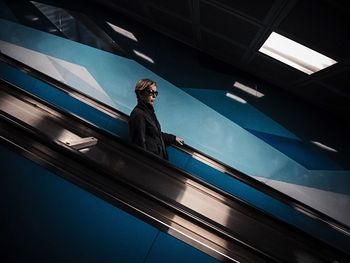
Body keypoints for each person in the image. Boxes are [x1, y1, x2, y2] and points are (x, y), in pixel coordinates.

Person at [129, 78, 184, 160]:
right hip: (150, 163)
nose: (154, 96)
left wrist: (173, 138)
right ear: (140, 93)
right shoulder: (138, 114)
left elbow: (156, 134)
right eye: (151, 92)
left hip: (157, 160)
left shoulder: (149, 113)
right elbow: (139, 143)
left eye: (156, 93)